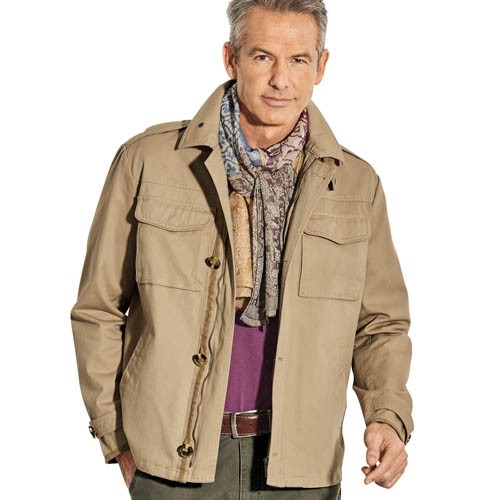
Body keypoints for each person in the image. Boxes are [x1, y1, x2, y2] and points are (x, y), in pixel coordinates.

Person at [70, 0, 413, 498]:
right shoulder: (149, 162)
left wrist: (387, 415)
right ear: (231, 58)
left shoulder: (355, 184)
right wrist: (117, 436)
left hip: (302, 466)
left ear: (321, 66)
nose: (281, 80)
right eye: (262, 57)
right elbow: (98, 308)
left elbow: (380, 323)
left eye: (298, 60)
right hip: (172, 465)